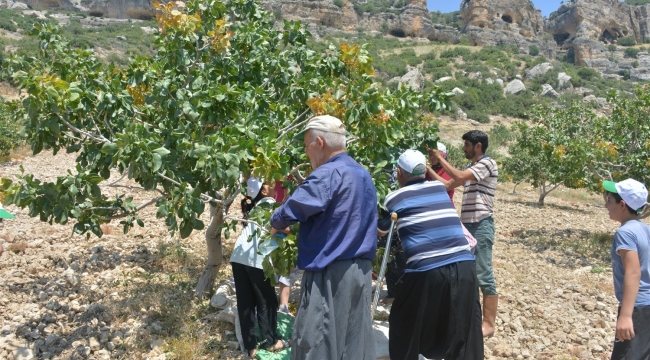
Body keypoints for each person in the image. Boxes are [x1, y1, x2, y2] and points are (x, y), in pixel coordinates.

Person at [270, 115, 377, 360]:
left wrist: (275, 223)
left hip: (330, 275)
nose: (307, 153)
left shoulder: (327, 174)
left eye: (307, 146)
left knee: (317, 343)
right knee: (353, 346)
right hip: (360, 273)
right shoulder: (363, 174)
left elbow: (289, 211)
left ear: (319, 142)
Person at [379, 149, 483, 360]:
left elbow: (381, 231)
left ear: (398, 172)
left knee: (403, 324)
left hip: (426, 270)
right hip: (465, 266)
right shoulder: (438, 187)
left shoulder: (393, 198)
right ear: (424, 170)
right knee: (462, 329)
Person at [428, 130, 499, 337]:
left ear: (478, 146)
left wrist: (440, 158)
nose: (463, 148)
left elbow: (457, 176)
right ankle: (473, 317)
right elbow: (448, 185)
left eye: (466, 145)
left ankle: (488, 324)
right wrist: (427, 168)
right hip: (467, 225)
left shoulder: (488, 164)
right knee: (468, 272)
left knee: (484, 273)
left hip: (481, 224)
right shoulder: (472, 167)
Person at [230, 177, 286, 358]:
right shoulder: (269, 203)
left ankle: (251, 347)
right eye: (269, 183)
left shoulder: (253, 207)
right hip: (256, 258)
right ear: (263, 191)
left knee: (245, 301)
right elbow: (282, 226)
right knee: (267, 300)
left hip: (238, 256)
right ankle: (271, 343)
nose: (273, 185)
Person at [602, 178, 650, 360]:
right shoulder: (643, 229)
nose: (606, 206)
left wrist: (626, 315)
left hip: (637, 307)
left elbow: (633, 272)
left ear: (622, 204)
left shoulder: (625, 233)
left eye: (609, 201)